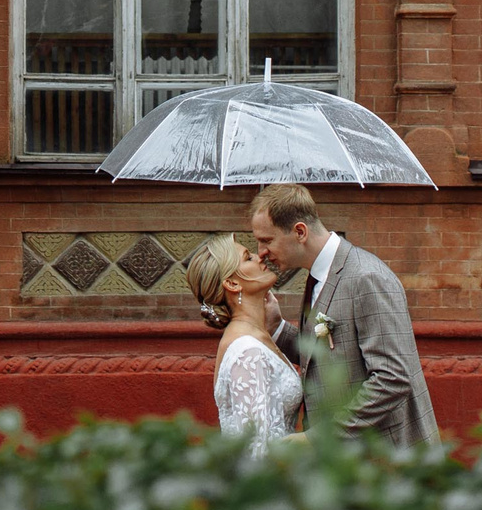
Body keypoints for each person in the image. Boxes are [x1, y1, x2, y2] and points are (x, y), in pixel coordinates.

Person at [249, 183, 439, 445]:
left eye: (266, 240)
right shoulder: (317, 276)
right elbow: (329, 357)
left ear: (300, 232)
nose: (261, 253)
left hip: (388, 460)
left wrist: (317, 438)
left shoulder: (366, 278)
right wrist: (277, 328)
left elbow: (392, 378)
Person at [182, 233, 300, 457]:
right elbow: (256, 450)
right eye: (247, 258)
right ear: (232, 283)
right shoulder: (247, 351)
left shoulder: (257, 337)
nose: (259, 257)